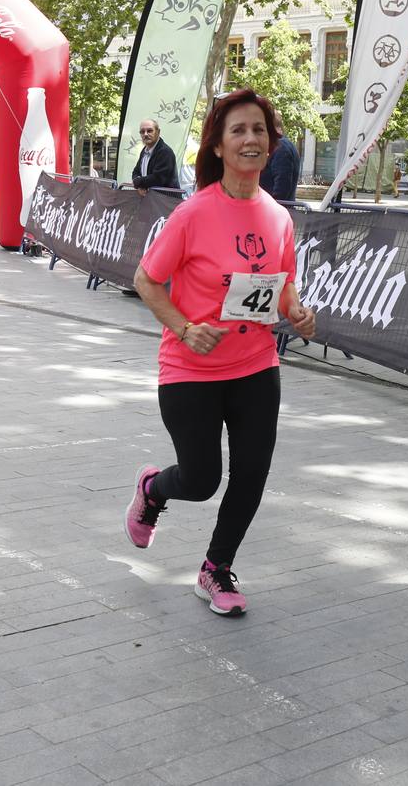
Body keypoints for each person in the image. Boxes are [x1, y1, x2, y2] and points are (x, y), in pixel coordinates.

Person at [125, 89, 316, 616]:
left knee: (252, 472)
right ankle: (153, 489)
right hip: (190, 370)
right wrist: (186, 329)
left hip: (256, 364)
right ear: (218, 145)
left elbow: (282, 286)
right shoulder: (193, 214)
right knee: (203, 478)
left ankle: (216, 567)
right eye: (239, 130)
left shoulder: (278, 217)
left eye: (259, 130)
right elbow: (147, 279)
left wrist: (297, 313)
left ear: (270, 143)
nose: (251, 139)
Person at [258, 110, 300, 203]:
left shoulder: (280, 147)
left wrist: (271, 207)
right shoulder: (283, 145)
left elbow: (282, 186)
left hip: (274, 210)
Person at [129, 119, 178, 192]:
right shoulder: (144, 151)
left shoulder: (165, 152)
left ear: (158, 132)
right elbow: (136, 172)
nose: (145, 134)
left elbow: (158, 178)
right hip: (151, 198)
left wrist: (138, 183)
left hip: (166, 200)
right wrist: (139, 186)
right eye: (142, 132)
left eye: (149, 131)